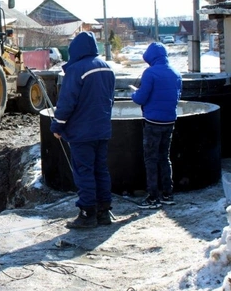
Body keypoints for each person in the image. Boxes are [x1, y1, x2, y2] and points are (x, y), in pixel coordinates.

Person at [50, 31, 116, 228]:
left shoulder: (77, 69)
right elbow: (109, 100)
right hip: (102, 128)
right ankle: (104, 212)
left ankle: (87, 213)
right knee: (100, 170)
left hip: (81, 132)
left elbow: (67, 102)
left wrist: (57, 125)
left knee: (84, 172)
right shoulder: (107, 68)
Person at [131, 42, 182, 209]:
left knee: (151, 159)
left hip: (153, 122)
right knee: (164, 158)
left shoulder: (150, 73)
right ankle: (168, 193)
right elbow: (177, 96)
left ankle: (153, 197)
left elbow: (141, 98)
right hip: (169, 121)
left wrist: (134, 93)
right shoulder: (175, 73)